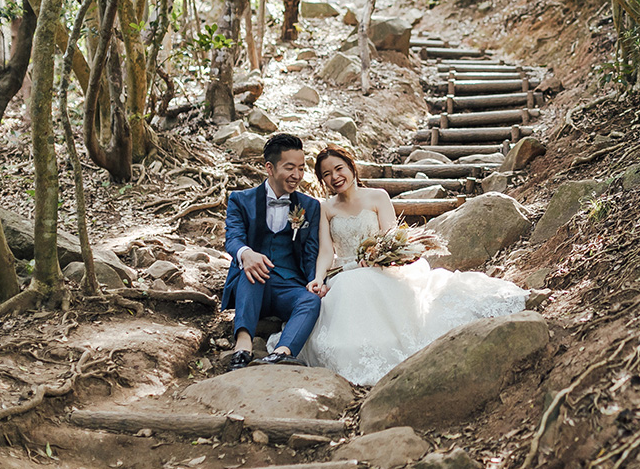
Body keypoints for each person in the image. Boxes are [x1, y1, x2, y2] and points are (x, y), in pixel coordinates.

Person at [292, 143, 527, 385]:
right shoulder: (326, 208)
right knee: (347, 290)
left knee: (372, 286)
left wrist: (375, 257)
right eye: (327, 175)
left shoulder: (377, 196)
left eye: (338, 169)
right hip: (345, 272)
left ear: (351, 167)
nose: (335, 177)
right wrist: (319, 279)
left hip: (381, 267)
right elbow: (326, 252)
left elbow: (391, 239)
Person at [220, 133, 326, 372]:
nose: (297, 175)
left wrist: (314, 282)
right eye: (290, 168)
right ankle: (243, 345)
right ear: (269, 167)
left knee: (311, 300)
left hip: (288, 286)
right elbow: (233, 238)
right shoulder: (240, 200)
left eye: (301, 168)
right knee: (252, 271)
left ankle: (281, 353)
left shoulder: (309, 206)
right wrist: (246, 253)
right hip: (252, 284)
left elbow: (310, 251)